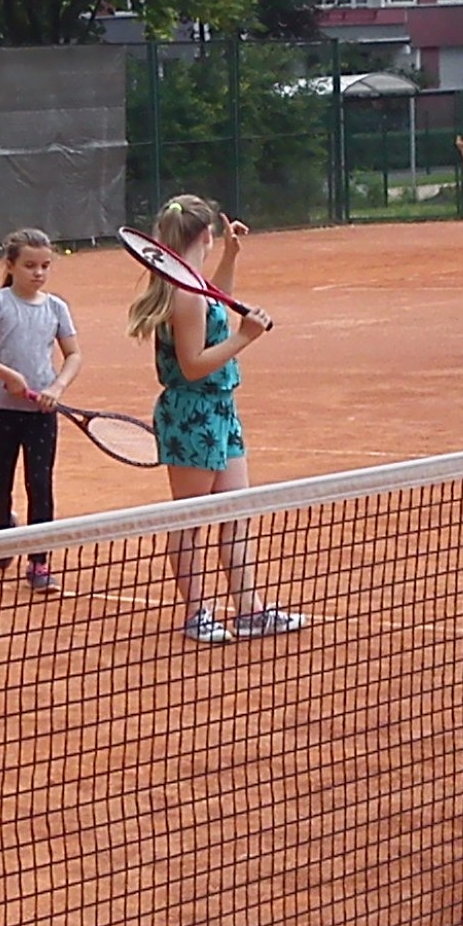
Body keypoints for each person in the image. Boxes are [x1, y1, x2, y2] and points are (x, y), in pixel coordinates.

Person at [124, 195, 305, 645]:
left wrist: (230, 257)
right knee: (191, 519)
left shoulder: (193, 284)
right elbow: (193, 365)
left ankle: (249, 610)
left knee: (236, 512)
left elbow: (215, 303)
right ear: (205, 232)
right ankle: (196, 614)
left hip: (221, 410)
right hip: (193, 414)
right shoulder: (185, 295)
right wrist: (246, 337)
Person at [0, 227, 81, 593]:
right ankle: (5, 530)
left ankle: (39, 562)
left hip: (41, 413)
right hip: (1, 411)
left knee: (40, 485)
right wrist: (7, 375)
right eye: (30, 265)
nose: (38, 273)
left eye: (45, 265)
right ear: (10, 265)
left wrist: (56, 387)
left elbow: (74, 354)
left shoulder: (57, 308)